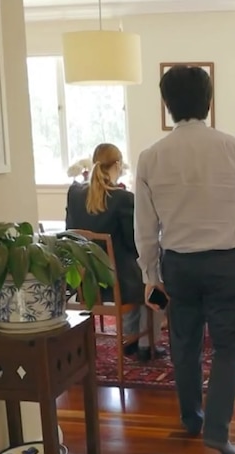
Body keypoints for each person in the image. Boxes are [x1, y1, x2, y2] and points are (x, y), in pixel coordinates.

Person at [135, 65, 235, 454]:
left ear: (167, 104)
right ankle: (218, 432)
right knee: (228, 348)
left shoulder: (151, 156)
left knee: (184, 344)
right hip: (225, 262)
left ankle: (191, 417)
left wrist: (150, 274)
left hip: (178, 265)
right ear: (209, 102)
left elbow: (144, 225)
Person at [65, 143, 162, 361]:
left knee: (140, 274)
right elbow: (134, 244)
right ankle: (147, 343)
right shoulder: (123, 199)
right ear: (118, 165)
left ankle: (133, 339)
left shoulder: (74, 194)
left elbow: (68, 232)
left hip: (86, 282)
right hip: (121, 284)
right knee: (156, 282)